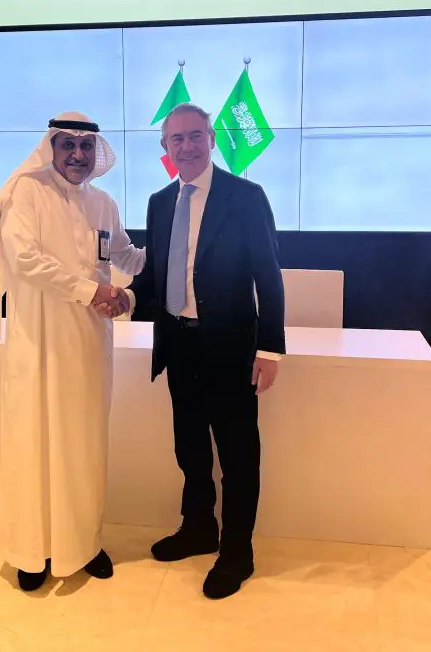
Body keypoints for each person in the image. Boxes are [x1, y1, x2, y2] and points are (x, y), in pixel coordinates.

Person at [122, 102, 285, 599]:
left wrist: (270, 348)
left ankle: (237, 552)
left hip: (231, 348)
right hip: (178, 345)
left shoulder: (245, 196)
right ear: (165, 148)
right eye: (177, 138)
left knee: (237, 455)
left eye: (196, 136)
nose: (188, 146)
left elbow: (269, 275)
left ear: (212, 140)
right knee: (189, 447)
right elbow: (155, 275)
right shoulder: (159, 202)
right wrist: (126, 298)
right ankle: (198, 528)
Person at [0, 111, 143, 592]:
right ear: (51, 148)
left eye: (86, 146)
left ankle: (83, 545)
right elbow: (25, 260)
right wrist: (93, 291)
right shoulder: (26, 192)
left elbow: (125, 257)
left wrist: (175, 248)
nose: (78, 155)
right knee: (33, 444)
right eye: (68, 145)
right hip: (39, 342)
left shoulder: (104, 203)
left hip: (89, 344)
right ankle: (31, 551)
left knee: (84, 445)